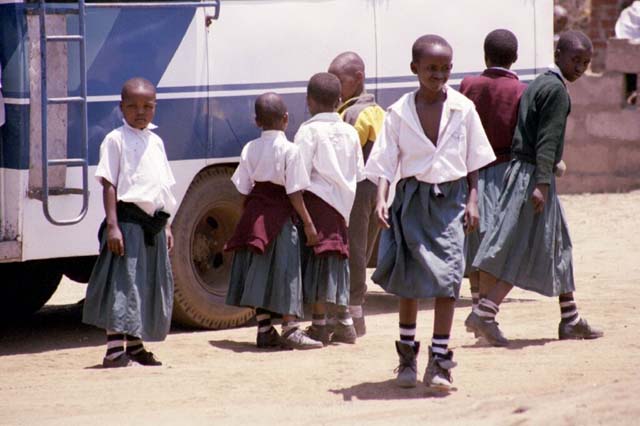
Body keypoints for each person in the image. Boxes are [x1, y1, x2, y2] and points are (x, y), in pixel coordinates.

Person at [365, 35, 495, 391]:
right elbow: (385, 160)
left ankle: (439, 362)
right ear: (415, 69)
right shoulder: (398, 112)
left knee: (449, 280)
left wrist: (473, 200)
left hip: (451, 202)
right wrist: (381, 197)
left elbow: (474, 162)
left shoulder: (463, 109)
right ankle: (407, 356)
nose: (438, 75)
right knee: (410, 280)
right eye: (430, 69)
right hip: (410, 199)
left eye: (444, 69)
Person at [469, 31, 603, 345]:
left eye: (586, 62)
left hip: (525, 173)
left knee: (559, 244)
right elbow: (547, 141)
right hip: (534, 177)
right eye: (576, 60)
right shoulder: (556, 91)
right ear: (558, 54)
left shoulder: (539, 83)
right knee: (523, 246)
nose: (581, 67)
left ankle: (570, 318)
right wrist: (542, 182)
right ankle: (485, 313)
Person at [83, 77, 177, 368]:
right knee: (124, 286)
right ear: (121, 107)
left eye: (148, 106)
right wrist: (113, 225)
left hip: (153, 225)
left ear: (155, 107)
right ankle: (114, 350)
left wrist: (168, 225)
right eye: (133, 106)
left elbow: (163, 187)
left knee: (145, 284)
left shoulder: (156, 141)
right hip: (128, 223)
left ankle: (135, 346)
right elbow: (109, 184)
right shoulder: (115, 139)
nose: (141, 111)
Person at [224, 92, 323, 350]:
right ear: (286, 119)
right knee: (287, 270)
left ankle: (264, 329)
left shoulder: (249, 148)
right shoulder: (290, 150)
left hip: (256, 214)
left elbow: (243, 188)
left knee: (259, 271)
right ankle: (290, 328)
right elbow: (293, 191)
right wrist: (309, 224)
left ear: (257, 121)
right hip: (281, 217)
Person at [459, 29, 527, 333]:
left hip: (469, 172)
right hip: (502, 171)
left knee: (474, 243)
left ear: (485, 56)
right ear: (515, 59)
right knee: (495, 246)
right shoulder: (520, 91)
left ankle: (477, 305)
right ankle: (486, 314)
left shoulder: (468, 84)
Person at [294, 72, 365, 346]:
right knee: (337, 264)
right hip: (343, 206)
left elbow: (298, 173)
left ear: (309, 101)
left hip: (316, 204)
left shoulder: (307, 131)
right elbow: (359, 173)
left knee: (319, 266)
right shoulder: (349, 131)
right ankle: (345, 322)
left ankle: (320, 326)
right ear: (339, 100)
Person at [328, 51, 385, 337]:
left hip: (358, 189)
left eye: (339, 80)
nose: (334, 87)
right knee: (360, 248)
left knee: (355, 249)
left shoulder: (353, 114)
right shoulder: (374, 108)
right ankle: (353, 311)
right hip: (375, 188)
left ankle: (354, 314)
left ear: (358, 78)